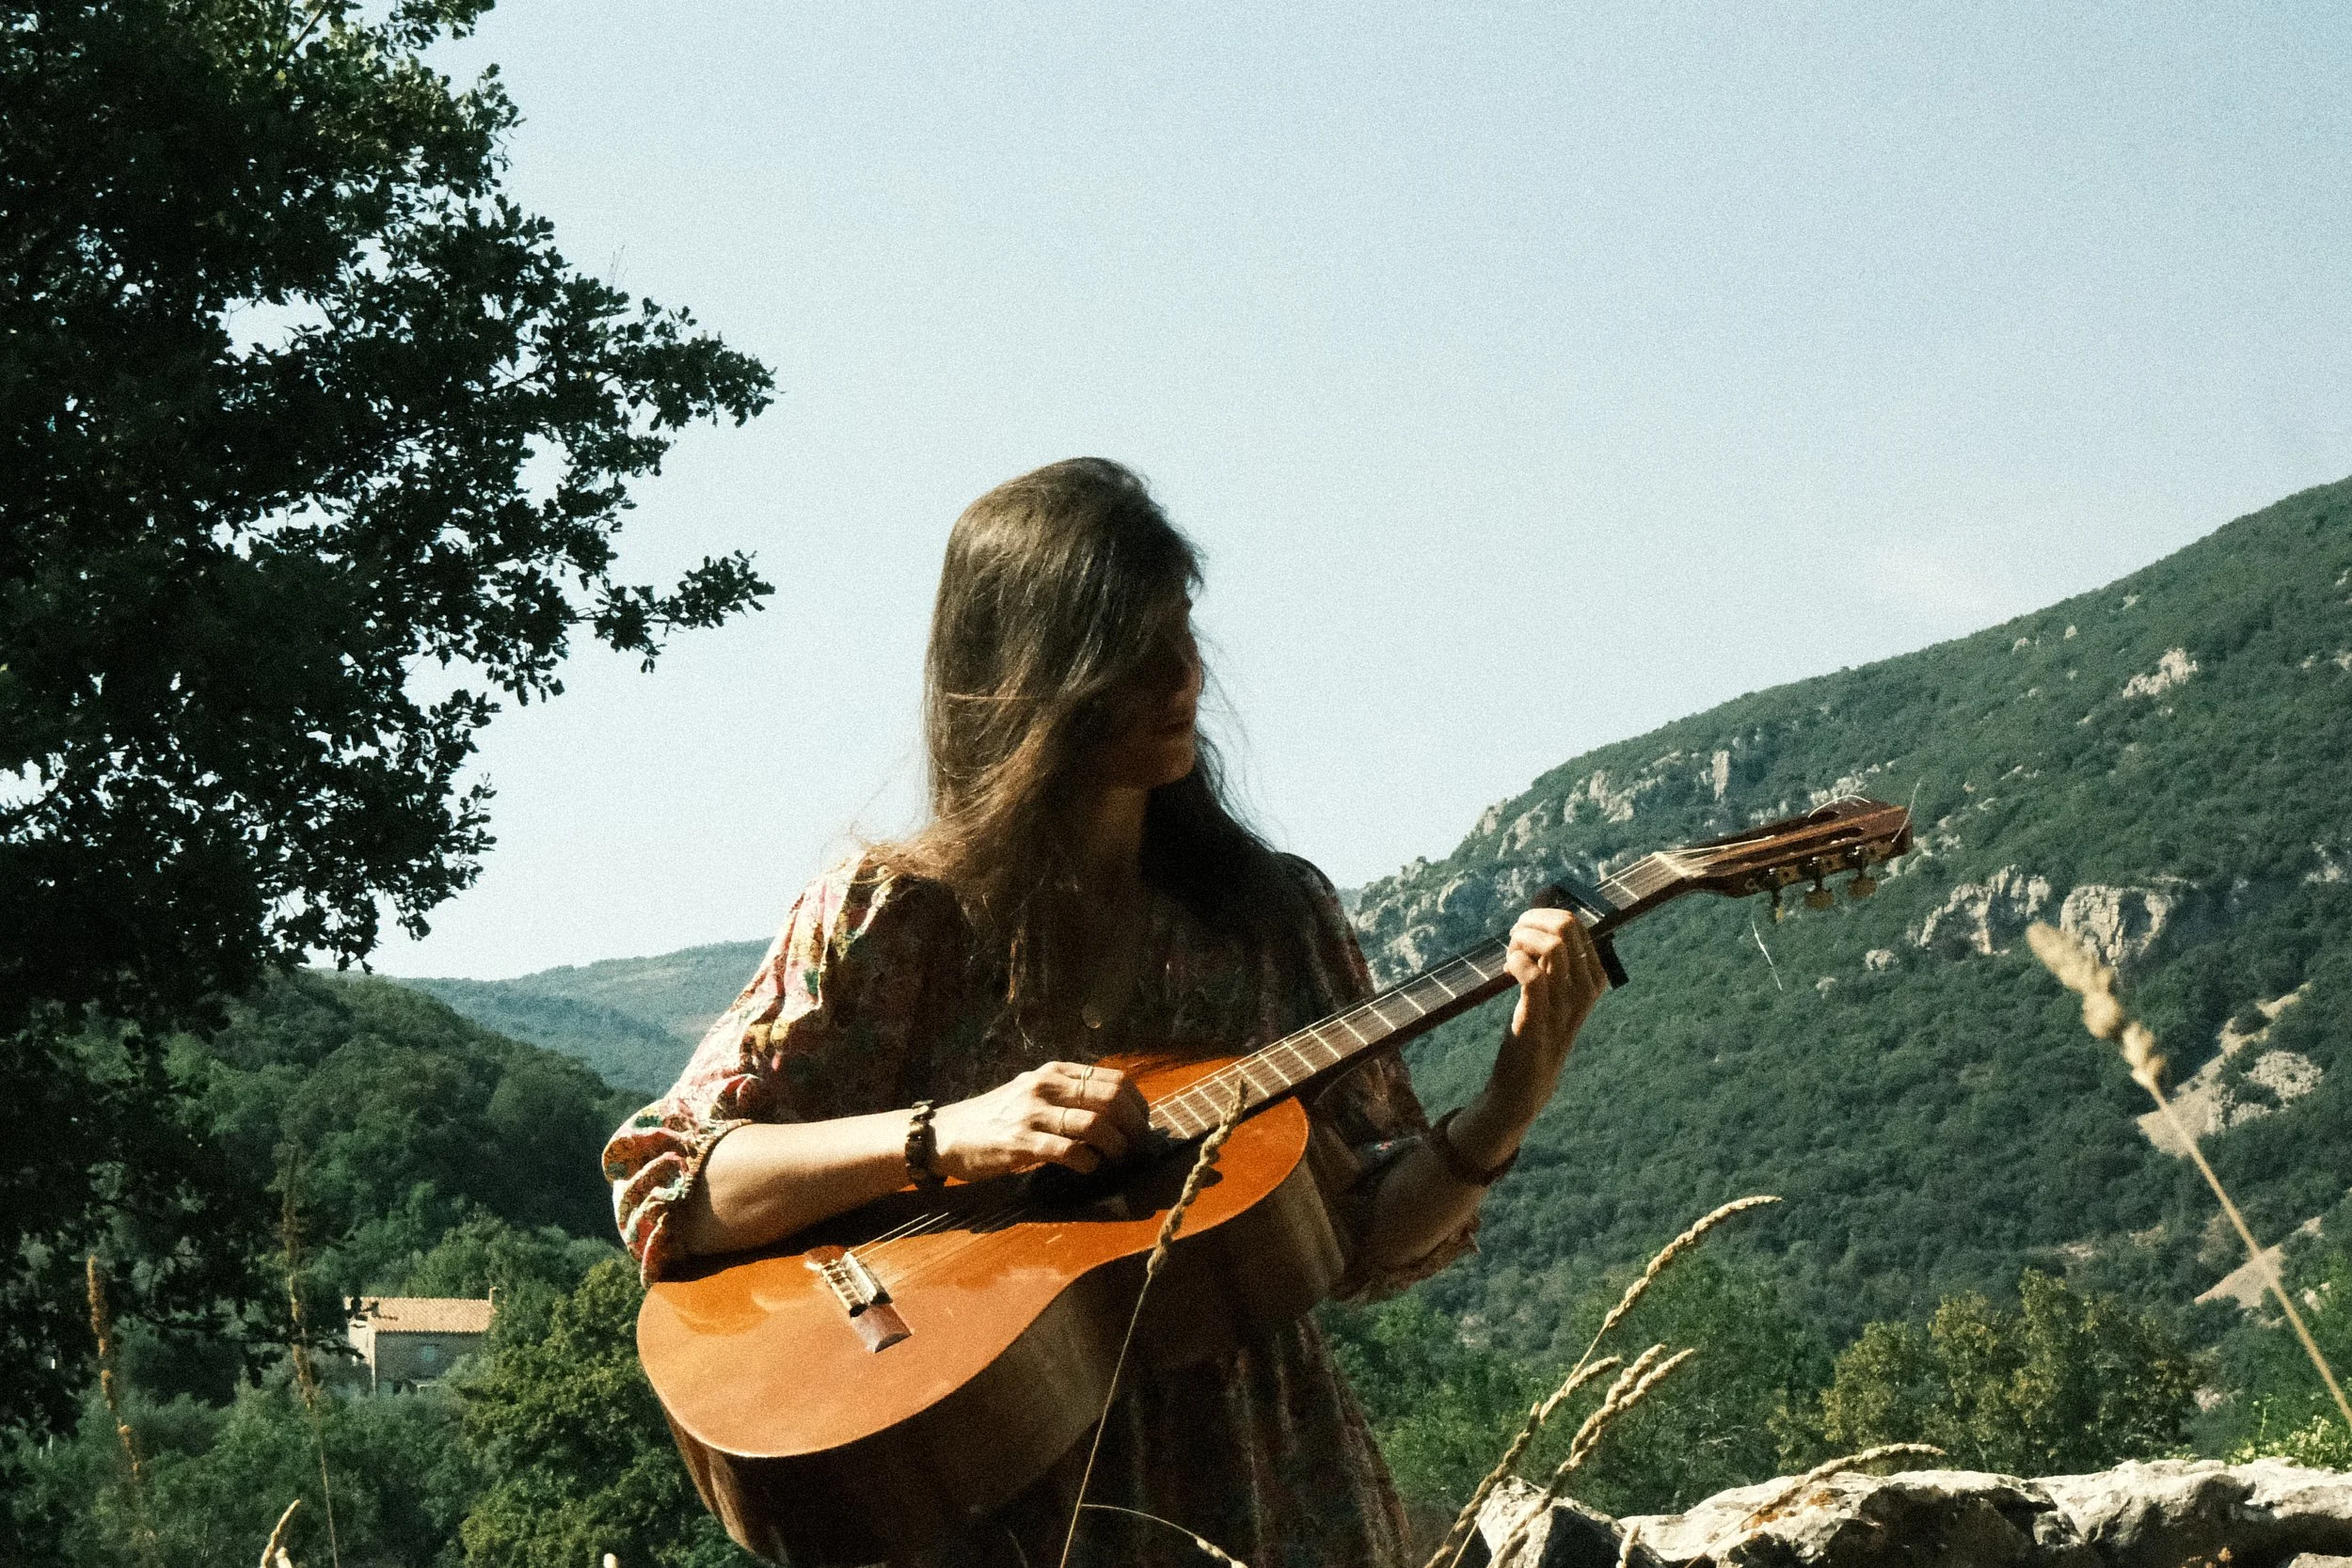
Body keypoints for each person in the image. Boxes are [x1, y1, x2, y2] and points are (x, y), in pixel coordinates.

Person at [602, 458, 1610, 1568]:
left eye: (1182, 628)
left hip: (1263, 1494)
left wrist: (1513, 1094)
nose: (1182, 672)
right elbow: (676, 1186)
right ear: (1032, 673)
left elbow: (1361, 1240)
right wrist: (946, 1136)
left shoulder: (1272, 918)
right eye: (1133, 644)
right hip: (989, 1494)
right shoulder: (893, 917)